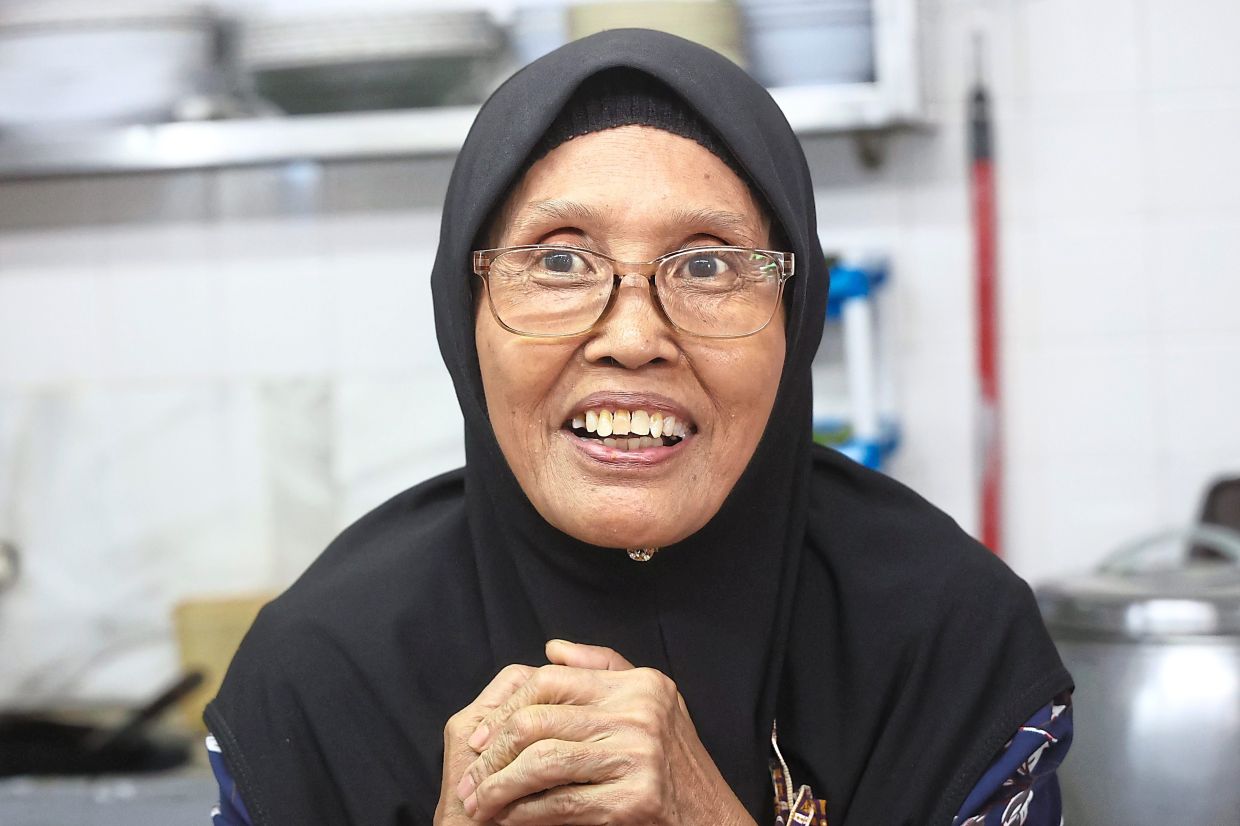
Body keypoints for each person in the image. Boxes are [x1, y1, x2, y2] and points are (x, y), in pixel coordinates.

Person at [205, 29, 1073, 826]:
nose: (632, 338)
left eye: (706, 264)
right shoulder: (323, 675)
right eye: (557, 260)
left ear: (796, 313)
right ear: (463, 316)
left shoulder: (949, 641)